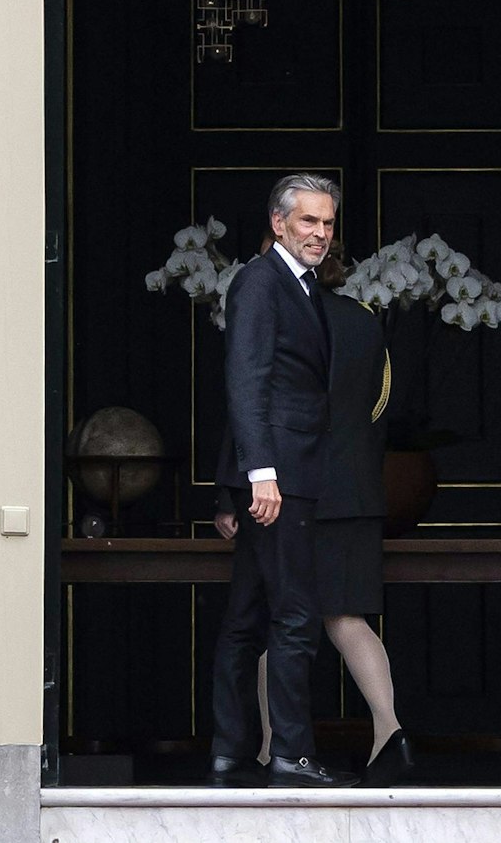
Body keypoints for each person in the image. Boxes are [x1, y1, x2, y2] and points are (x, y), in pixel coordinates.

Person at [217, 241, 416, 787]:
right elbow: (383, 408)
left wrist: (233, 490)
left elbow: (253, 399)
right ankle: (389, 733)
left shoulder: (285, 312)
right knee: (347, 617)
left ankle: (267, 748)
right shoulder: (366, 321)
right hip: (355, 490)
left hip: (295, 487)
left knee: (281, 621)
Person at [208, 173, 358, 788]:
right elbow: (246, 382)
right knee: (295, 616)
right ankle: (291, 754)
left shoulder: (297, 285)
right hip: (279, 482)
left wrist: (232, 488)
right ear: (278, 223)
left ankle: (228, 750)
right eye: (307, 222)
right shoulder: (261, 282)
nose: (320, 234)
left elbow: (263, 386)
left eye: (327, 223)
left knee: (246, 618)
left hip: (280, 476)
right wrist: (257, 478)